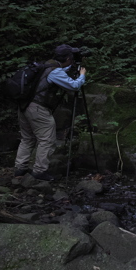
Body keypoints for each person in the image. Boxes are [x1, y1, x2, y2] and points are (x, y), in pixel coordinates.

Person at [14, 44, 87, 181]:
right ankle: (39, 171)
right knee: (46, 140)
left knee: (27, 138)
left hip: (24, 106)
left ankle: (20, 169)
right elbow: (74, 86)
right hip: (37, 108)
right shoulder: (54, 71)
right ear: (67, 58)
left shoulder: (45, 65)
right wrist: (81, 75)